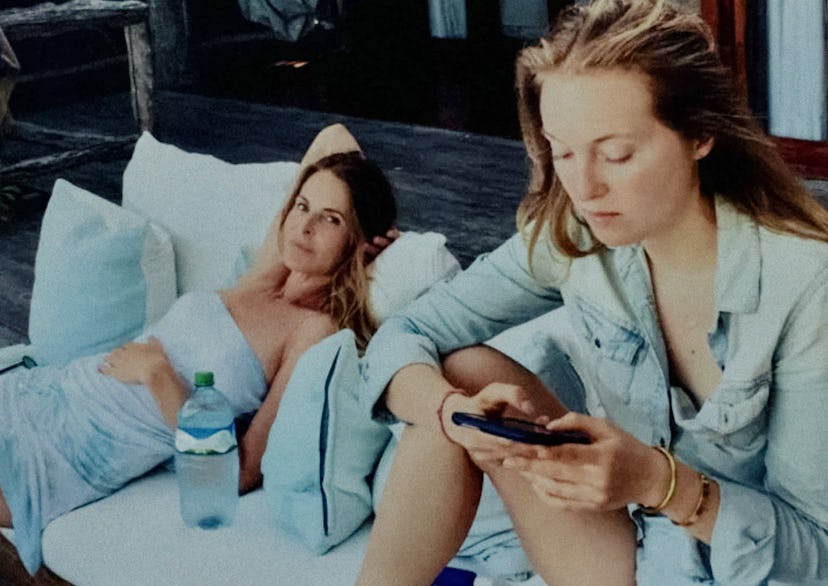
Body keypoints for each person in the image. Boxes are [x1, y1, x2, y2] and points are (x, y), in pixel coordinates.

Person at [356, 1, 828, 584]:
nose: (583, 187)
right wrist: (451, 415)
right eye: (564, 152)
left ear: (700, 133)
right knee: (464, 371)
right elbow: (405, 332)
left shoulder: (807, 282)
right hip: (635, 556)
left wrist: (660, 483)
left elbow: (819, 553)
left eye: (616, 153)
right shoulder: (574, 238)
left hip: (752, 571)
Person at [0, 123, 397, 574]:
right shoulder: (267, 277)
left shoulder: (313, 330)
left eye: (331, 219)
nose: (303, 226)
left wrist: (160, 376)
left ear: (356, 241)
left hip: (69, 453)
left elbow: (245, 471)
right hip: (48, 392)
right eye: (302, 206)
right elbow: (334, 137)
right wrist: (364, 221)